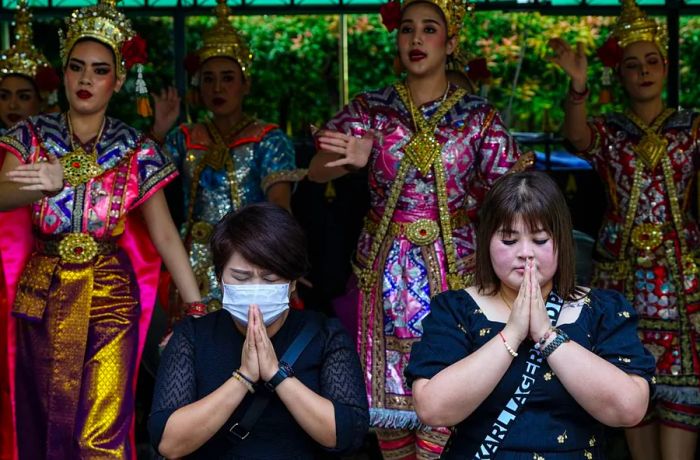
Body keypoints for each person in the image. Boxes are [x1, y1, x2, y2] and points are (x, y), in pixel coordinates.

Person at [308, 0, 530, 456]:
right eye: (407, 29)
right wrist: (349, 160)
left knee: (446, 400)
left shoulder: (477, 117)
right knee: (391, 410)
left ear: (449, 44)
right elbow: (314, 170)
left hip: (457, 274)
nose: (415, 38)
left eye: (429, 29)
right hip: (386, 275)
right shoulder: (372, 109)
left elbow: (511, 197)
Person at [0, 0, 202, 457]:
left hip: (110, 291)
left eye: (99, 69)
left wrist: (196, 307)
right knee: (47, 417)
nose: (86, 79)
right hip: (42, 291)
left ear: (119, 79)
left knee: (101, 426)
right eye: (76, 68)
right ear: (64, 73)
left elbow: (165, 234)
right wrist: (41, 186)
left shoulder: (134, 149)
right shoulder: (31, 136)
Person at [405, 171, 655, 458]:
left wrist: (546, 334)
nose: (526, 253)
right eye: (509, 241)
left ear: (561, 241)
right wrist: (512, 333)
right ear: (486, 241)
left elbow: (630, 409)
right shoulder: (456, 310)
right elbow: (432, 409)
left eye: (539, 239)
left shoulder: (602, 310)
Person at [548, 0, 700, 457]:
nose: (644, 71)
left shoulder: (691, 128)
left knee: (684, 385)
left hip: (683, 277)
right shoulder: (611, 130)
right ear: (621, 75)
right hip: (623, 276)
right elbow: (576, 136)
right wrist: (578, 86)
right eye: (632, 65)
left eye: (652, 61)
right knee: (632, 382)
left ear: (666, 66)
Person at [148, 202, 369, 458]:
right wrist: (244, 377)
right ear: (220, 278)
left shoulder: (325, 334)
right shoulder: (192, 336)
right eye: (241, 278)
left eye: (270, 279)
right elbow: (168, 443)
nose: (255, 288)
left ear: (293, 282)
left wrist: (276, 375)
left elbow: (348, 436)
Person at [150, 0, 304, 314]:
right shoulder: (185, 136)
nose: (217, 87)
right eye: (208, 78)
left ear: (245, 84)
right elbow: (145, 185)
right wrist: (159, 130)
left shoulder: (268, 138)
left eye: (227, 77)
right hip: (192, 257)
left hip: (251, 255)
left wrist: (280, 255)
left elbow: (279, 204)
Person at [0, 2, 60, 458]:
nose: (13, 105)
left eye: (24, 95)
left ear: (41, 102)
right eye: (4, 95)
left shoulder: (53, 150)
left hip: (36, 277)